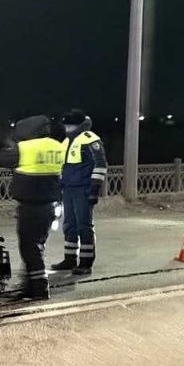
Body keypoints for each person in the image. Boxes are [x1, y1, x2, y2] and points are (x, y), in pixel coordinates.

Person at [0, 115, 66, 299]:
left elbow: (3, 158)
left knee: (29, 248)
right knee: (37, 246)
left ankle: (39, 289)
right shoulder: (57, 146)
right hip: (50, 205)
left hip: (31, 206)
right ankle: (31, 284)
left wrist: (9, 143)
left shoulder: (25, 148)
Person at [52, 109, 107, 275]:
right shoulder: (66, 141)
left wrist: (94, 189)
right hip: (68, 189)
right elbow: (62, 166)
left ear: (77, 125)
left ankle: (85, 263)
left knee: (84, 226)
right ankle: (69, 260)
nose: (66, 128)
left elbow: (100, 165)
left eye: (69, 125)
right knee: (69, 226)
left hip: (83, 189)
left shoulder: (90, 139)